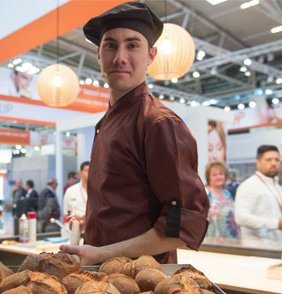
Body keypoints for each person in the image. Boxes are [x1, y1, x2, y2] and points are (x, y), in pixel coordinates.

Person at [60, 3, 209, 265]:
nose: (120, 56)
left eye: (132, 45)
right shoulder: (107, 121)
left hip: (143, 284)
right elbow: (129, 202)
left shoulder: (159, 124)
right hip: (102, 279)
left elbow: (182, 227)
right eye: (110, 45)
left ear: (151, 55)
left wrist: (102, 253)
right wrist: (97, 220)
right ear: (98, 53)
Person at [235, 145, 282, 247]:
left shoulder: (278, 187)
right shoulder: (249, 185)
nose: (273, 163)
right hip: (259, 252)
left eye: (277, 160)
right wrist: (275, 223)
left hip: (279, 249)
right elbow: (241, 217)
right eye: (268, 160)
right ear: (258, 163)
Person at [204, 161, 239, 244]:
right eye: (214, 175)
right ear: (208, 177)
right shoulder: (205, 192)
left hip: (231, 239)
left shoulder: (227, 193)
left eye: (221, 174)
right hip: (212, 241)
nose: (218, 177)